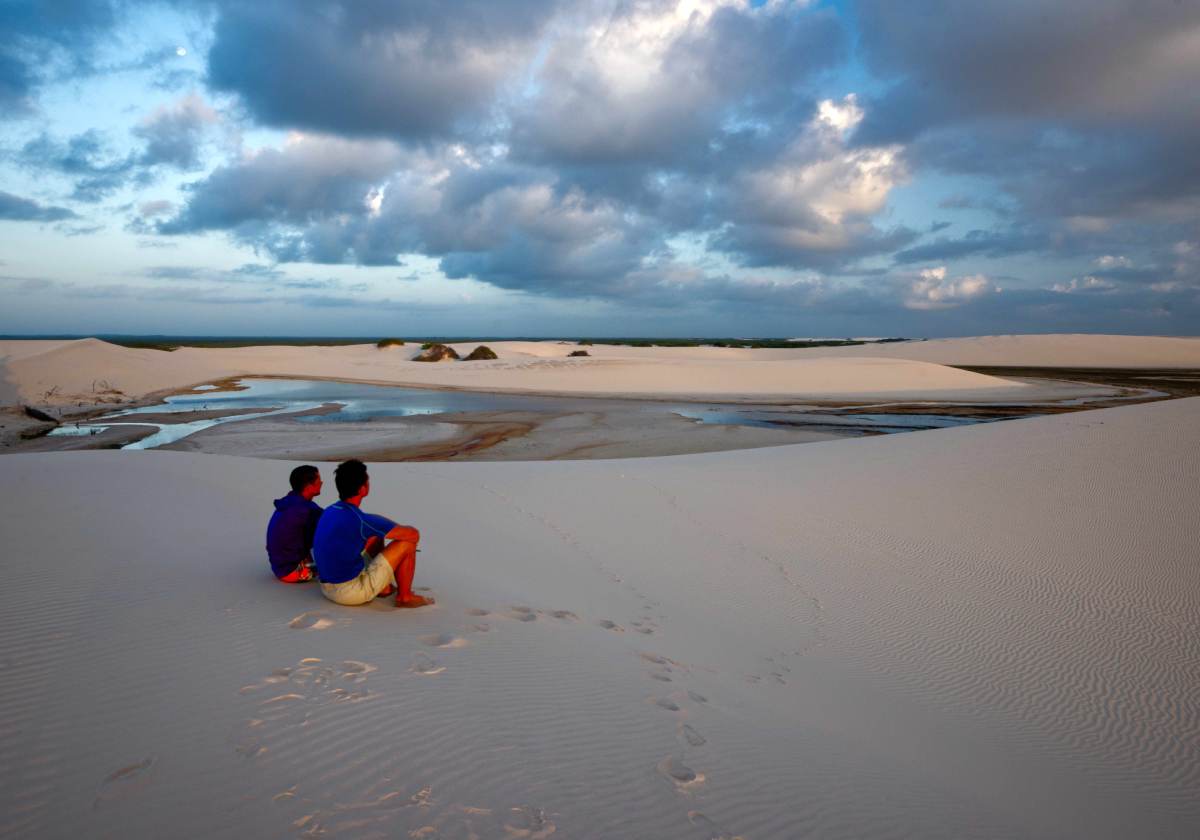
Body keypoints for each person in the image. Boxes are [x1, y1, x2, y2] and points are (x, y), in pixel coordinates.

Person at [312, 459, 432, 608]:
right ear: (363, 489)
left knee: (375, 534)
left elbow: (368, 526)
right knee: (407, 543)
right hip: (350, 592)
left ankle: (384, 588)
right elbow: (413, 534)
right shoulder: (360, 520)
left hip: (327, 587)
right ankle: (405, 598)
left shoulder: (330, 510)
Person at [265, 465, 324, 582]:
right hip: (292, 571)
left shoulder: (289, 502)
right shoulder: (304, 510)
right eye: (318, 480)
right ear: (308, 485)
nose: (321, 483)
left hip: (278, 566)